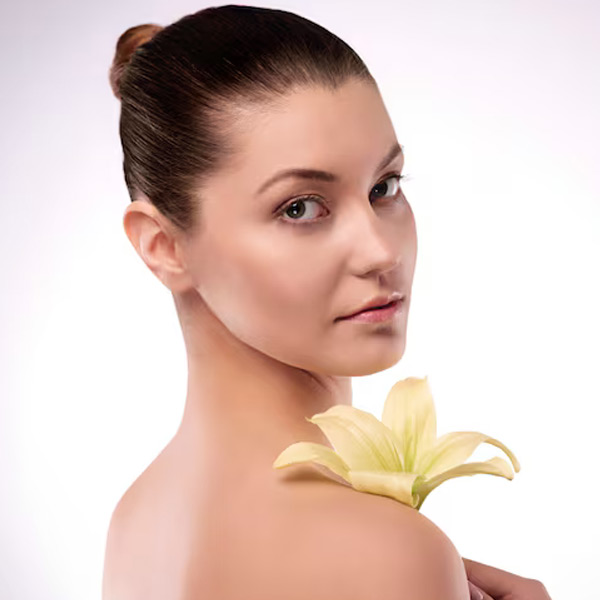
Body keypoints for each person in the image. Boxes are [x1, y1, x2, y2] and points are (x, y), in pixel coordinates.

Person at [103, 5, 551, 599]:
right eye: (300, 207)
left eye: (383, 187)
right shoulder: (386, 553)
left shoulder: (136, 519)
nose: (379, 251)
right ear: (164, 246)